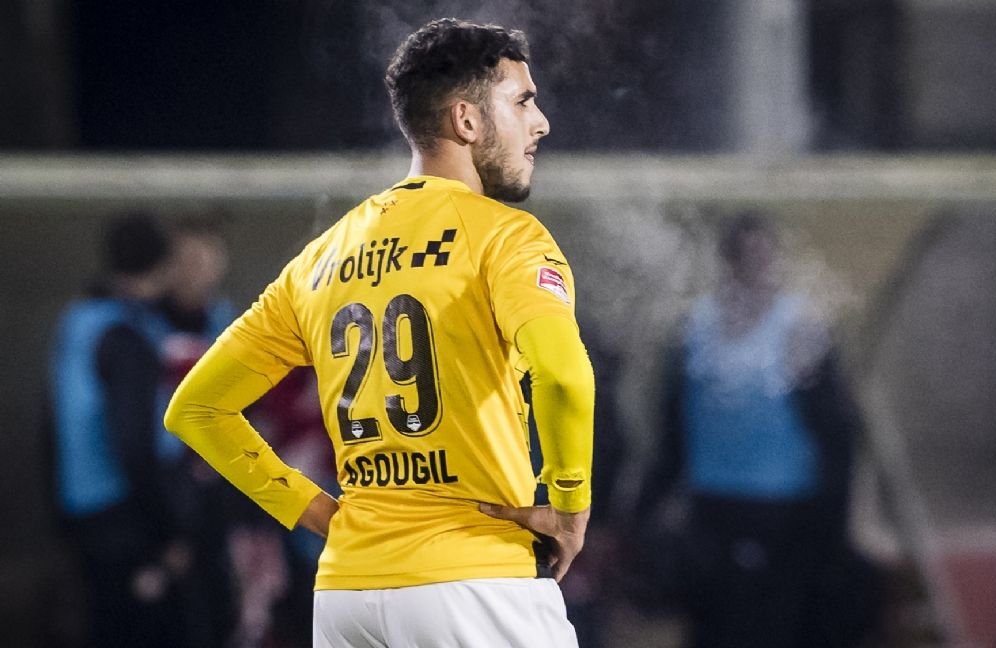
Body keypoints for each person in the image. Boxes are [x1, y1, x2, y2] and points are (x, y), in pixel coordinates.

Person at [164, 17, 595, 648]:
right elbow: (563, 375)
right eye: (523, 102)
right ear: (466, 120)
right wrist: (569, 505)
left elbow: (196, 410)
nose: (541, 123)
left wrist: (312, 510)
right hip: (475, 582)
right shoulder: (506, 236)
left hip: (348, 594)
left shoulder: (319, 259)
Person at [638, 213, 882, 648]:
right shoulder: (695, 331)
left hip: (786, 506)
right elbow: (673, 428)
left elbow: (837, 433)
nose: (756, 268)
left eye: (764, 257)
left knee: (777, 620)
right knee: (716, 620)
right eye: (746, 257)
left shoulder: (800, 331)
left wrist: (835, 520)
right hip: (714, 502)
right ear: (728, 262)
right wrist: (649, 503)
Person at [48, 214, 191, 647]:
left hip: (83, 508)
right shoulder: (127, 335)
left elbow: (50, 423)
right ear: (164, 265)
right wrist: (167, 532)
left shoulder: (80, 320)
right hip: (127, 518)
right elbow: (134, 443)